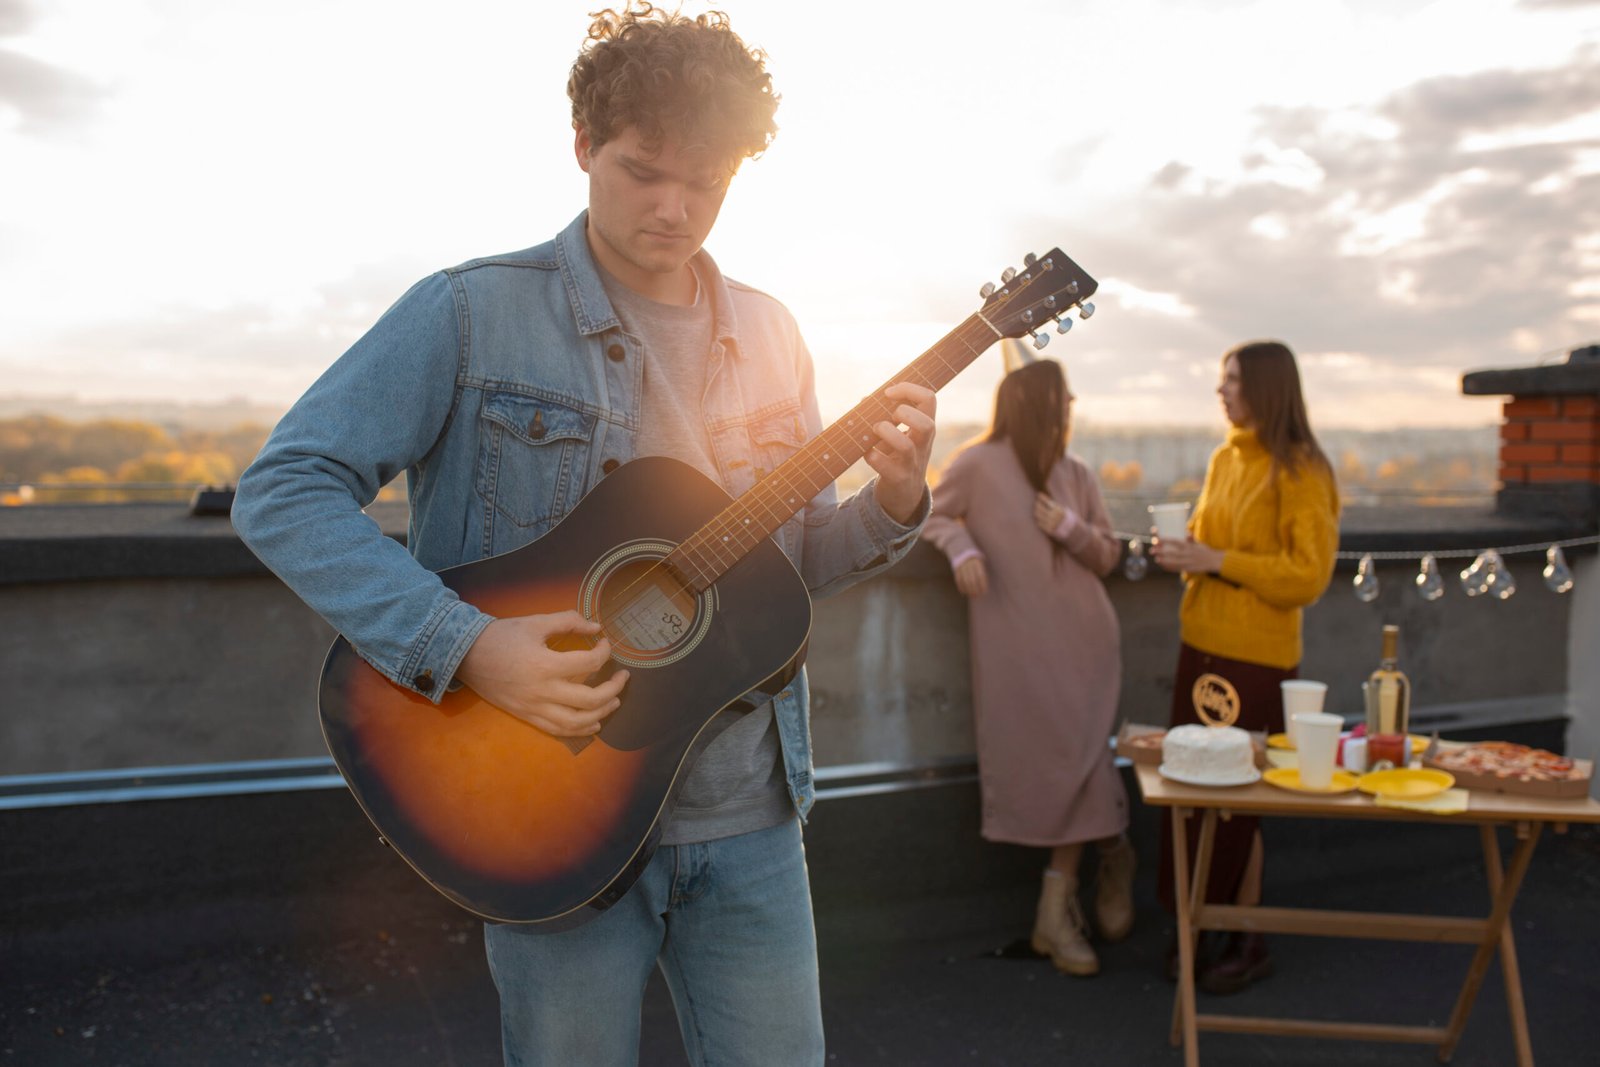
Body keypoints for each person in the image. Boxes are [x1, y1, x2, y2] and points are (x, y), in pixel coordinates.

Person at [232, 5, 937, 1063]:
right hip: (547, 810)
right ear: (582, 147)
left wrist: (889, 504)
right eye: (643, 169)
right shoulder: (468, 313)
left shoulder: (773, 331)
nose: (674, 206)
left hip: (751, 818)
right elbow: (283, 487)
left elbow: (778, 578)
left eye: (705, 180)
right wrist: (469, 644)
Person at [921, 345, 1136, 977]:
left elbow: (1107, 557)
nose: (1069, 409)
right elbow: (927, 512)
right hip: (1019, 652)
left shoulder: (1077, 474)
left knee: (1085, 762)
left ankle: (1058, 909)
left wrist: (1070, 527)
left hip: (1087, 646)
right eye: (1061, 398)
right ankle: (1112, 855)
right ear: (1033, 403)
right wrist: (961, 547)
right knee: (1062, 768)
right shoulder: (979, 464)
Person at [1151, 339, 1339, 995]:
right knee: (1196, 794)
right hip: (1201, 645)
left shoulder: (1302, 469)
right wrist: (1184, 552)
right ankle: (1197, 926)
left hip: (1256, 659)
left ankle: (1245, 936)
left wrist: (1216, 562)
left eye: (1230, 379)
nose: (1220, 390)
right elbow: (1209, 544)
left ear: (1265, 387)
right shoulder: (1224, 456)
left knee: (1235, 802)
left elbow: (1308, 575)